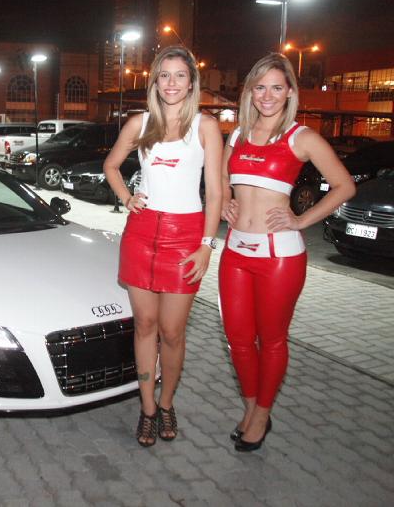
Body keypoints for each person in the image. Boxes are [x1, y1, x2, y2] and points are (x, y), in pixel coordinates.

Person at [220, 53, 355, 451]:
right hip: (235, 251)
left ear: (290, 92)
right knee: (238, 339)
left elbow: (345, 186)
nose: (267, 95)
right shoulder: (237, 135)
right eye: (260, 87)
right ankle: (251, 407)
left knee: (272, 340)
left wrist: (301, 220)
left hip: (279, 256)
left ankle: (261, 415)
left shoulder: (302, 138)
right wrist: (226, 201)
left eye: (276, 87)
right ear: (249, 92)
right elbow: (225, 181)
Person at [103, 45, 223, 448]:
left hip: (186, 236)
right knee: (145, 326)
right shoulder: (139, 123)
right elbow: (111, 165)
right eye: (165, 75)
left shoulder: (206, 126)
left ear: (191, 83)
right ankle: (148, 407)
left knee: (172, 332)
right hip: (141, 234)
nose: (172, 83)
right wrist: (126, 197)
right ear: (155, 81)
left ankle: (168, 402)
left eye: (180, 75)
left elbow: (216, 192)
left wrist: (207, 245)